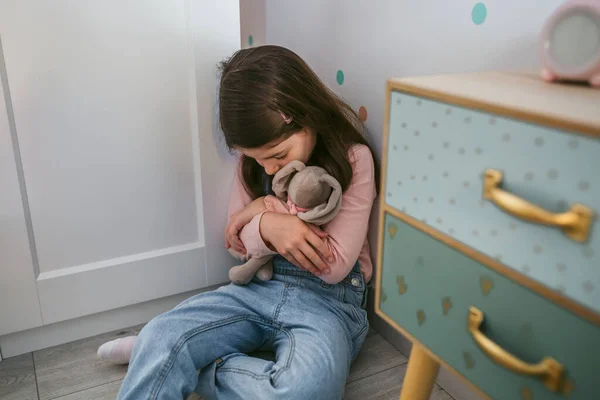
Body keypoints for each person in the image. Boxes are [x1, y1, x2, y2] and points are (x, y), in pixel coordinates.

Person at [111, 44, 379, 400]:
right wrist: (269, 226)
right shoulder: (253, 165)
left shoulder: (354, 160)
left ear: (306, 115)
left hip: (328, 305)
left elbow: (333, 267)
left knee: (306, 389)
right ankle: (162, 351)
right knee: (162, 332)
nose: (269, 168)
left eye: (278, 156)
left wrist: (262, 214)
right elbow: (237, 243)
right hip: (256, 290)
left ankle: (187, 364)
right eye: (258, 159)